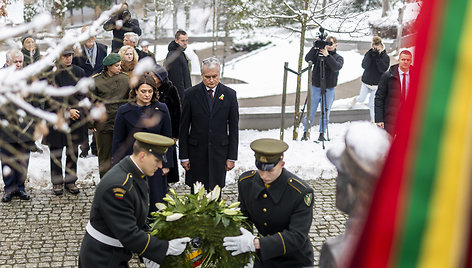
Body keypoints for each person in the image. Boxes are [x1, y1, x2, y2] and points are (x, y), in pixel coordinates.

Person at [78, 132, 190, 267]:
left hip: (115, 253)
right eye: (157, 160)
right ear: (142, 156)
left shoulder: (137, 174)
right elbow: (129, 234)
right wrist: (165, 248)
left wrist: (148, 253)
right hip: (102, 258)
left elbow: (138, 218)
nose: (160, 165)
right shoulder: (118, 187)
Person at [223, 138, 314, 267]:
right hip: (263, 259)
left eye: (270, 170)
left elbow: (297, 236)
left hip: (293, 259)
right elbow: (244, 216)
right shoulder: (246, 183)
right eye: (260, 169)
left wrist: (255, 243)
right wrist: (244, 236)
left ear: (282, 164)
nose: (264, 176)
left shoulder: (300, 192)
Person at [112, 73, 173, 212]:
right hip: (132, 163)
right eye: (143, 91)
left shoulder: (162, 109)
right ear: (135, 91)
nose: (147, 95)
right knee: (134, 201)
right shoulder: (124, 111)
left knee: (156, 201)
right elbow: (118, 141)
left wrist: (166, 164)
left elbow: (167, 138)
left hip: (155, 163)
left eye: (150, 91)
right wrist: (117, 167)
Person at [179, 57, 238, 192]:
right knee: (196, 193)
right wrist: (184, 156)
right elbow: (184, 127)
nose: (211, 80)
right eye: (207, 77)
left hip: (219, 152)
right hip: (196, 153)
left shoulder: (229, 95)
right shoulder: (190, 94)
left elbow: (234, 129)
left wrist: (231, 157)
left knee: (216, 192)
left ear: (219, 74)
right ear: (202, 75)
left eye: (214, 76)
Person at [43, 49, 86, 195]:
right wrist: (67, 110)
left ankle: (70, 180)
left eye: (70, 55)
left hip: (75, 117)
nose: (68, 58)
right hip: (57, 118)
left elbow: (83, 93)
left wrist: (75, 109)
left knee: (72, 151)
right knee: (56, 151)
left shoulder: (79, 71)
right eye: (65, 56)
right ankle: (57, 182)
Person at [0, 50, 32, 202]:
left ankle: (20, 187)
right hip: (6, 126)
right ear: (7, 62)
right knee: (7, 159)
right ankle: (9, 189)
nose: (19, 65)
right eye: (16, 62)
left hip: (24, 126)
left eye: (20, 62)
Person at [91, 53, 130, 177]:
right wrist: (91, 123)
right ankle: (105, 183)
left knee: (122, 155)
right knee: (105, 156)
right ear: (108, 67)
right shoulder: (96, 81)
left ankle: (121, 181)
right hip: (103, 125)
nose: (120, 68)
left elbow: (130, 100)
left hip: (121, 123)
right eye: (117, 66)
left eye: (120, 65)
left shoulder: (125, 79)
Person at [302, 35, 344, 142]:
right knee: (310, 110)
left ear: (336, 45)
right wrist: (315, 47)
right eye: (327, 43)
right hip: (316, 86)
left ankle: (322, 133)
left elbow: (335, 67)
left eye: (331, 43)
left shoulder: (338, 58)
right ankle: (306, 132)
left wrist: (327, 56)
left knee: (325, 112)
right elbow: (307, 59)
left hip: (329, 89)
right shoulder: (318, 54)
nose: (329, 46)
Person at [150, 64, 181, 184]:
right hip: (154, 130)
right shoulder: (149, 88)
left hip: (168, 130)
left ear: (160, 77)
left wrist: (175, 134)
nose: (151, 77)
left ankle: (167, 181)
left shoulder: (171, 89)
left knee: (167, 156)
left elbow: (177, 112)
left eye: (154, 75)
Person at [348, 36, 390, 122]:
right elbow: (364, 66)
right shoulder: (369, 54)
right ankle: (355, 99)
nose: (376, 51)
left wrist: (378, 58)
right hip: (366, 82)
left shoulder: (385, 57)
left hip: (377, 85)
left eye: (378, 49)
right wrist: (370, 55)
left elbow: (383, 69)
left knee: (372, 103)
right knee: (361, 99)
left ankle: (373, 120)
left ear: (382, 47)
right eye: (374, 48)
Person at [375, 49, 413, 135]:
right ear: (399, 60)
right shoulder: (387, 76)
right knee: (388, 144)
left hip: (408, 119)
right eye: (403, 59)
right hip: (390, 118)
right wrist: (379, 119)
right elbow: (379, 98)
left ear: (411, 61)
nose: (405, 62)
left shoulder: (416, 76)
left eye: (408, 60)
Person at [165, 30, 192, 101]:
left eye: (186, 40)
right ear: (176, 40)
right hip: (180, 98)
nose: (185, 43)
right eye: (183, 41)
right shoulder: (175, 56)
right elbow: (177, 82)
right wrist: (183, 100)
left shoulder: (179, 53)